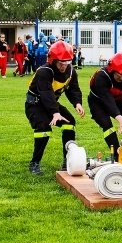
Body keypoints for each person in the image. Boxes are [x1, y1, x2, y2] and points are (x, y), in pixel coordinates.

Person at [24, 40, 85, 175]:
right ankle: (35, 163)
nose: (64, 66)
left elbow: (73, 89)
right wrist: (55, 112)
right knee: (44, 128)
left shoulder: (70, 72)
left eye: (67, 62)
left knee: (70, 123)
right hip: (35, 104)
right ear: (52, 60)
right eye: (61, 63)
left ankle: (67, 160)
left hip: (51, 104)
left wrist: (77, 103)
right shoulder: (44, 72)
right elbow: (46, 94)